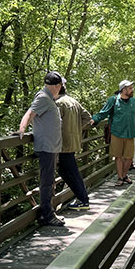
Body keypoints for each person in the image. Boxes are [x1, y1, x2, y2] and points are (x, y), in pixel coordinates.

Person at [17, 71, 65, 227]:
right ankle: (47, 215)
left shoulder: (48, 98)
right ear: (56, 86)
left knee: (49, 181)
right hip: (47, 148)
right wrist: (21, 129)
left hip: (51, 147)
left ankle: (48, 212)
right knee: (47, 182)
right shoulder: (44, 98)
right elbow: (30, 113)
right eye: (60, 86)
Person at [92, 79, 135, 185]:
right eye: (130, 88)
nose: (132, 90)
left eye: (132, 88)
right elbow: (103, 112)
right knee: (118, 156)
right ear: (123, 90)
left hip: (130, 133)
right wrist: (94, 119)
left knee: (129, 157)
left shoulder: (134, 102)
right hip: (117, 132)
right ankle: (120, 177)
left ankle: (124, 175)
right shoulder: (114, 100)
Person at [57, 79, 93, 209]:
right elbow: (89, 119)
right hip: (73, 142)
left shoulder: (58, 103)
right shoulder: (73, 101)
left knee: (71, 172)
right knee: (67, 171)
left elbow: (55, 125)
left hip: (62, 144)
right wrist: (77, 129)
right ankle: (82, 198)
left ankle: (83, 200)